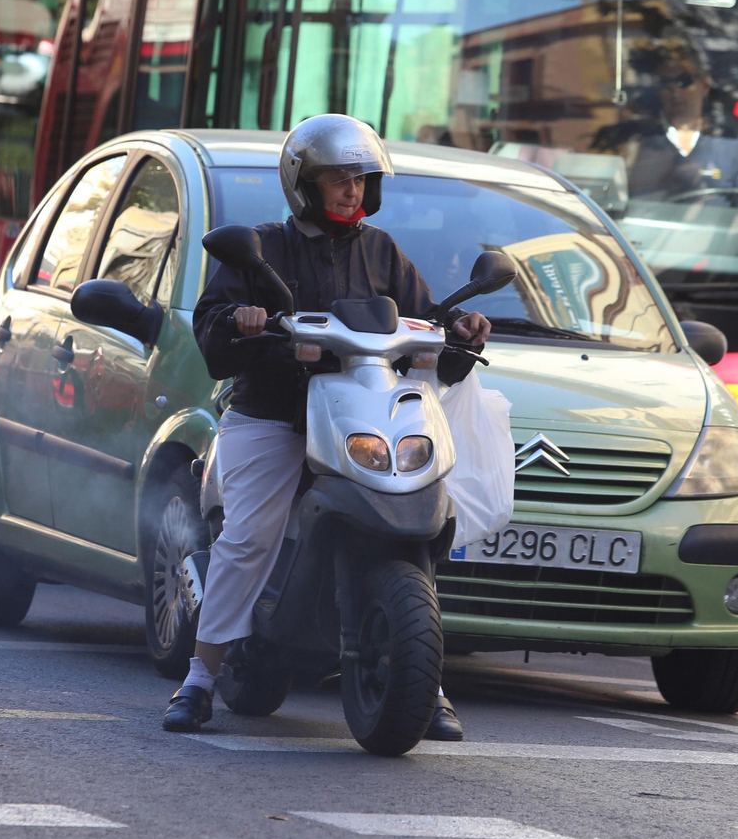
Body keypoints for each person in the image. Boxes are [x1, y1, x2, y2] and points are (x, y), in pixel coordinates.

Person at [163, 114, 492, 740]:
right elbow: (212, 334)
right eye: (337, 179)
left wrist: (462, 334)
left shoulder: (384, 254)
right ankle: (199, 680)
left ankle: (430, 683)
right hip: (273, 413)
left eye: (360, 180)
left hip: (363, 419)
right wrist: (244, 320)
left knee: (420, 520)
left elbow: (429, 345)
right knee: (251, 533)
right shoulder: (261, 249)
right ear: (303, 184)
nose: (351, 191)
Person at [626, 47, 738, 200]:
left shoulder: (733, 145)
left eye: (684, 81)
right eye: (665, 83)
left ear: (705, 85)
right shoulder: (635, 142)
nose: (675, 92)